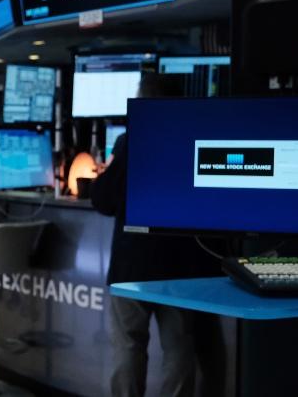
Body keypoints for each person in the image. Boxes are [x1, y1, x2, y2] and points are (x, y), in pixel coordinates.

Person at [91, 73, 216, 397]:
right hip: (181, 265)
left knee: (129, 346)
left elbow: (103, 200)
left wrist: (104, 176)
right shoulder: (196, 139)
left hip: (133, 265)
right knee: (179, 348)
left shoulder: (132, 140)